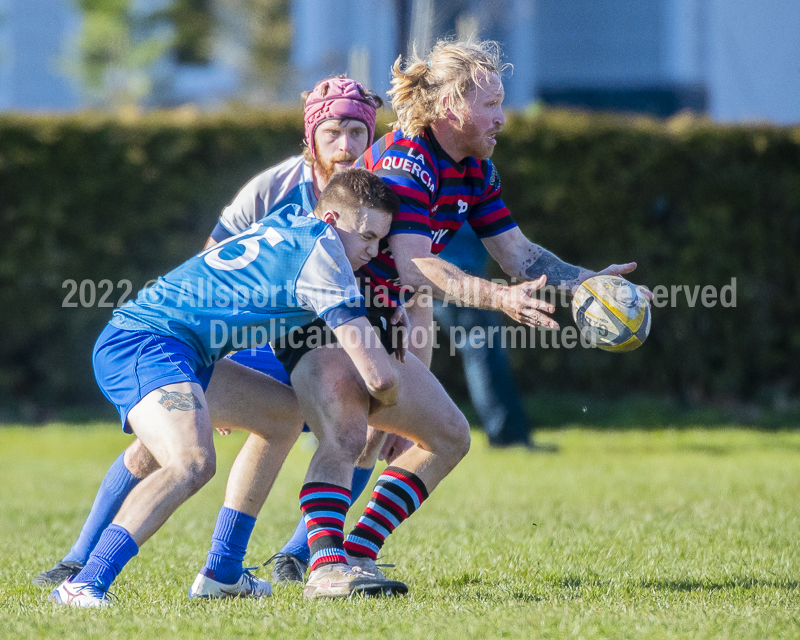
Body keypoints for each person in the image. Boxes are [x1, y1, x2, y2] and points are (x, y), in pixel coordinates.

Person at [268, 37, 651, 598]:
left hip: (379, 317)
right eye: (492, 102)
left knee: (446, 437)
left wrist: (585, 281)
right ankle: (316, 567)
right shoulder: (406, 161)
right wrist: (499, 300)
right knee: (350, 433)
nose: (503, 115)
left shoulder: (475, 170)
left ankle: (353, 556)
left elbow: (518, 255)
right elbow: (414, 263)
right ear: (450, 106)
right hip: (322, 312)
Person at [33, 77, 397, 589]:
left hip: (245, 337)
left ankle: (239, 568)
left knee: (293, 420)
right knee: (181, 456)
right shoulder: (281, 194)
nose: (347, 144)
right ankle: (82, 572)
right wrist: (413, 409)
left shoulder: (375, 194)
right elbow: (212, 263)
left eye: (358, 131)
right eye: (333, 130)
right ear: (311, 135)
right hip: (180, 339)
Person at [433, 224, 553, 449]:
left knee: (485, 353)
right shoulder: (454, 191)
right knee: (483, 354)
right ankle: (505, 435)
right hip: (457, 279)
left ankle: (508, 433)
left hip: (457, 275)